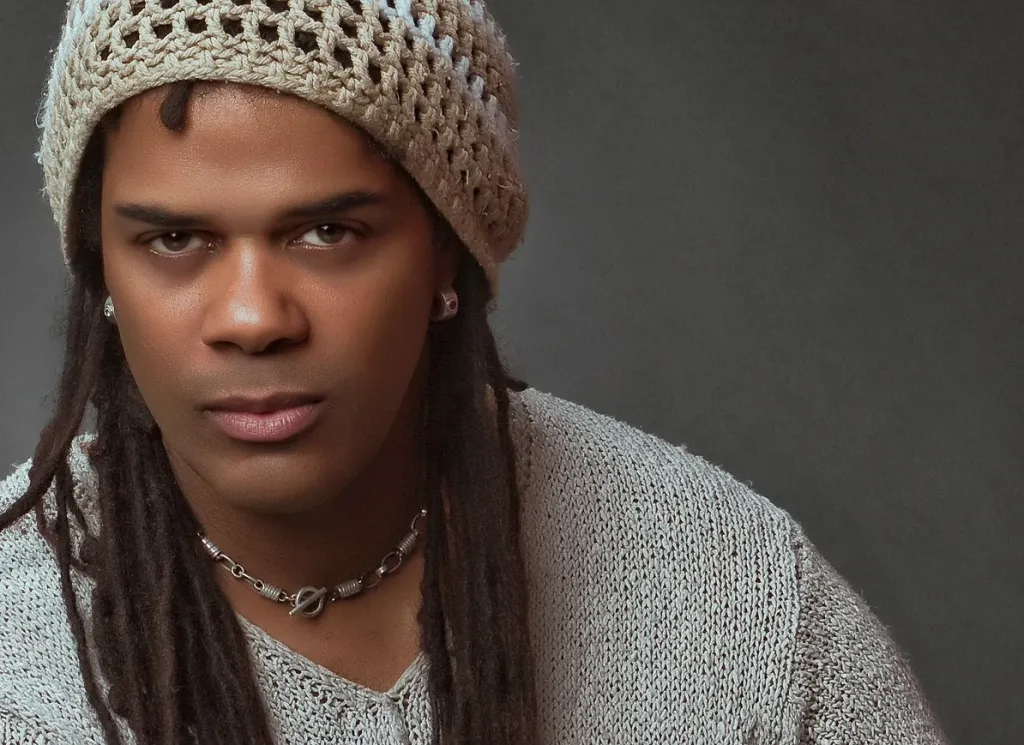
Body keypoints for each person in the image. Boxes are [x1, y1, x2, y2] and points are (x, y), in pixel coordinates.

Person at [0, 1, 948, 743]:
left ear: (447, 251)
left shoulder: (737, 600)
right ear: (101, 270)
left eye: (329, 231)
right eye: (174, 240)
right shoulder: (18, 651)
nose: (253, 318)